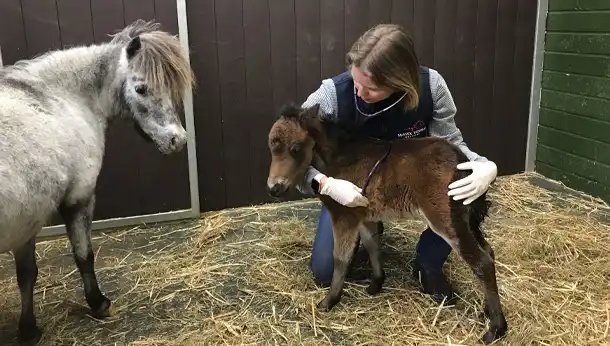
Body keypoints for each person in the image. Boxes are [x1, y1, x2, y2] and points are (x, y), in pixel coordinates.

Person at [295, 24, 498, 304]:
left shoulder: (431, 86)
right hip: (347, 187)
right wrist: (324, 184)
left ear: (401, 81)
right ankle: (371, 228)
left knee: (460, 188)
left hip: (406, 182)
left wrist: (484, 165)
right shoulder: (330, 95)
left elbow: (450, 142)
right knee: (324, 271)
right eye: (356, 82)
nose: (360, 92)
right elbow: (290, 151)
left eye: (372, 88)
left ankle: (428, 264)